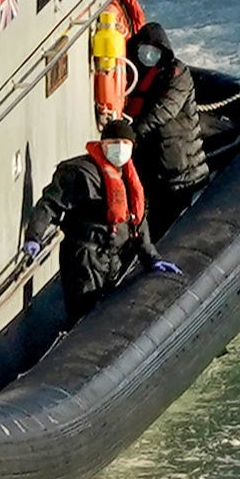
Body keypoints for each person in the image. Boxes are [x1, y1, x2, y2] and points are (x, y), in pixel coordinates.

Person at [24, 118, 182, 325]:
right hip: (86, 259)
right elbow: (49, 205)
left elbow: (136, 220)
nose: (120, 149)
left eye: (125, 144)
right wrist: (34, 236)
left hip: (115, 257)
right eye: (114, 143)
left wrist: (151, 257)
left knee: (108, 313)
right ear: (103, 144)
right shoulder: (79, 173)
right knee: (84, 315)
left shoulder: (128, 176)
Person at [124, 22, 210, 229]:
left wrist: (133, 133)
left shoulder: (178, 75)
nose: (147, 54)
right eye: (143, 49)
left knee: (174, 221)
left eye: (153, 50)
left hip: (182, 169)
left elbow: (163, 111)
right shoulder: (138, 74)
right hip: (154, 168)